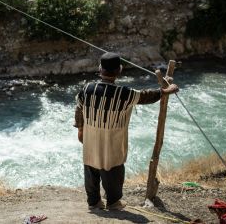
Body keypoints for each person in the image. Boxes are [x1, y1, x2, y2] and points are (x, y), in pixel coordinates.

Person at [74, 52, 179, 210]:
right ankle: (113, 202)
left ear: (100, 69)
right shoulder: (125, 93)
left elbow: (79, 108)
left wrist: (80, 129)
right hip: (113, 140)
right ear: (119, 71)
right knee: (113, 170)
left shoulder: (87, 88)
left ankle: (94, 202)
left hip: (91, 137)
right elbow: (145, 97)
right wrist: (166, 91)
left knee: (91, 168)